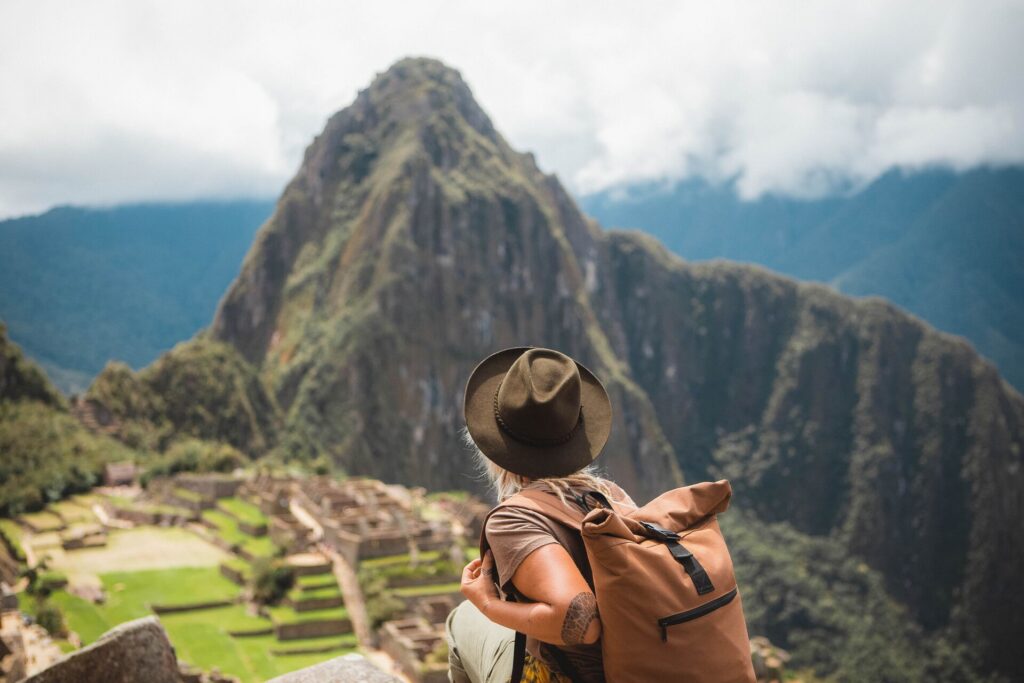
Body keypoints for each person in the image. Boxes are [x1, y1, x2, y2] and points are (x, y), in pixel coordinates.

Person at [447, 347, 635, 683]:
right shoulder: (612, 496)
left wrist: (488, 604)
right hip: (638, 667)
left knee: (461, 619)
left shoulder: (515, 519)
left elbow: (580, 619)